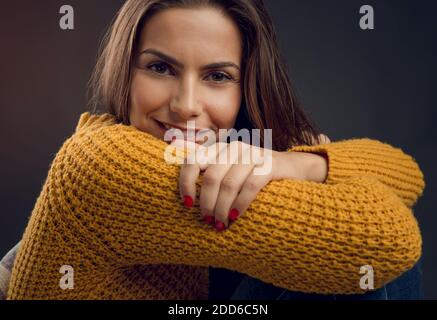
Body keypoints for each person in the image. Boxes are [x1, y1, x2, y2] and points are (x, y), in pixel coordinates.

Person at [5, 0, 425, 300]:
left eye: (217, 76)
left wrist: (297, 163)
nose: (187, 104)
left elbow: (406, 173)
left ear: (246, 90)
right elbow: (391, 240)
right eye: (159, 67)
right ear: (125, 73)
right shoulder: (106, 163)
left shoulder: (235, 150)